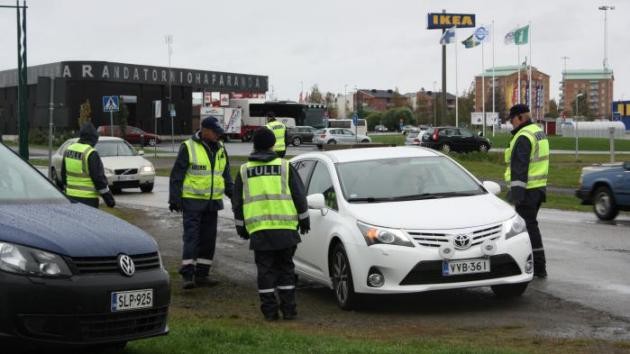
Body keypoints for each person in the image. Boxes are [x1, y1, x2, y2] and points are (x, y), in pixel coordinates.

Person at [232, 127, 310, 321]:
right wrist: (304, 218)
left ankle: (269, 312)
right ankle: (289, 310)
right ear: (273, 144)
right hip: (286, 229)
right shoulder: (285, 166)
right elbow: (299, 195)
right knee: (286, 269)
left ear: (254, 145)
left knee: (265, 271)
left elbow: (237, 203)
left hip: (259, 230)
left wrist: (241, 226)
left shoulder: (244, 171)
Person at [169, 116, 234, 289]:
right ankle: (188, 275)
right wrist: (174, 199)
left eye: (219, 133)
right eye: (214, 132)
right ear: (204, 130)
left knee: (208, 239)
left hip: (212, 203)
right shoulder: (188, 147)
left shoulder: (221, 149)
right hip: (192, 202)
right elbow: (177, 175)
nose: (217, 136)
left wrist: (234, 196)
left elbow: (226, 175)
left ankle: (203, 274)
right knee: (192, 237)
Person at [505, 104, 549, 278]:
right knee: (530, 226)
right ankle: (537, 265)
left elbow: (519, 168)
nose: (511, 124)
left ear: (520, 117)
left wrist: (516, 195)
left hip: (527, 190)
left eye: (512, 120)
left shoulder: (523, 136)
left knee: (528, 228)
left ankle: (538, 267)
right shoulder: (538, 131)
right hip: (538, 188)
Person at [61, 122, 115, 209]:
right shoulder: (91, 153)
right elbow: (99, 179)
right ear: (93, 139)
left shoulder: (69, 150)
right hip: (88, 199)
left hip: (70, 196)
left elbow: (63, 175)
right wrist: (109, 200)